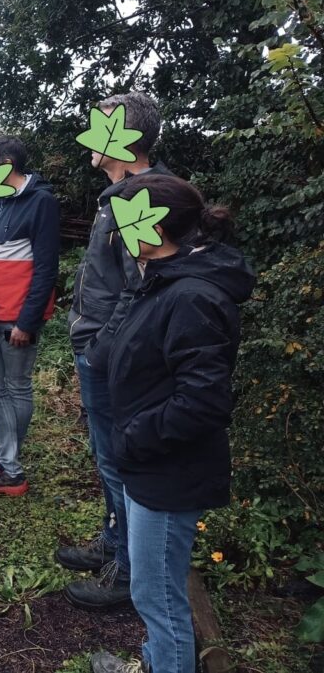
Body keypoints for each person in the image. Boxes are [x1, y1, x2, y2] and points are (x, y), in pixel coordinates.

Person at [88, 174, 252, 673]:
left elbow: (203, 402)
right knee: (151, 588)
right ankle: (155, 663)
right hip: (149, 463)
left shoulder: (192, 297)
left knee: (159, 598)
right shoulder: (161, 281)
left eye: (119, 227)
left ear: (151, 227)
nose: (113, 237)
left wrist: (133, 438)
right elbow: (126, 357)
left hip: (166, 469)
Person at [57, 92, 174, 610]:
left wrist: (102, 349)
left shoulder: (138, 200)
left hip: (109, 355)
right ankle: (114, 542)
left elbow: (141, 286)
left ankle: (127, 573)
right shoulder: (123, 195)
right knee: (106, 458)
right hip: (99, 348)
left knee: (115, 460)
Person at [0, 136, 60, 496]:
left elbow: (46, 268)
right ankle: (7, 458)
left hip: (16, 317)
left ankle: (10, 469)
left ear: (5, 164)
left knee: (16, 385)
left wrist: (28, 321)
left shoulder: (42, 202)